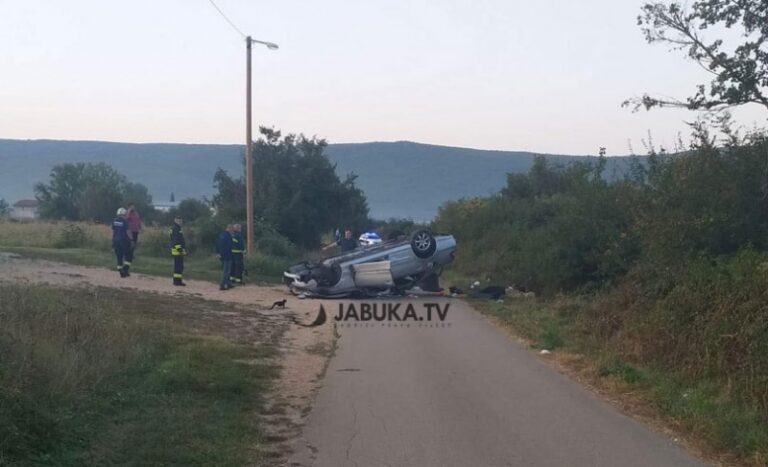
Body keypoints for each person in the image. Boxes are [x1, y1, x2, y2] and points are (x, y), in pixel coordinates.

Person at [112, 207, 132, 278]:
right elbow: (128, 231)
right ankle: (125, 269)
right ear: (124, 214)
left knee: (119, 257)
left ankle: (121, 271)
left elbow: (113, 231)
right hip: (124, 241)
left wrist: (113, 241)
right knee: (129, 256)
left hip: (116, 241)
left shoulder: (114, 221)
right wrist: (131, 239)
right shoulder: (125, 221)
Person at [216, 224, 234, 291]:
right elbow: (229, 246)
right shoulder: (228, 236)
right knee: (226, 271)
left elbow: (217, 244)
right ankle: (222, 285)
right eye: (232, 230)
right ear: (230, 229)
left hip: (221, 255)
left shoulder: (221, 235)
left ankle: (228, 283)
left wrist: (218, 253)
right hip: (227, 255)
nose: (232, 232)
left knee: (226, 270)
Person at [170, 215, 187, 286]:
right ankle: (177, 282)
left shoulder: (176, 228)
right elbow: (176, 241)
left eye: (181, 221)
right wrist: (180, 250)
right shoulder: (176, 228)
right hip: (177, 251)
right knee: (178, 266)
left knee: (179, 266)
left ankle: (178, 281)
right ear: (175, 220)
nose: (180, 222)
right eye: (179, 221)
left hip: (177, 250)